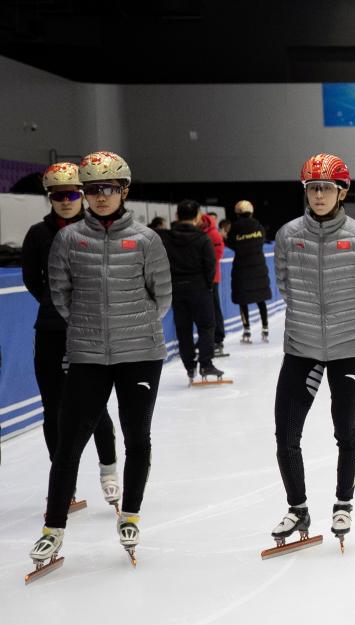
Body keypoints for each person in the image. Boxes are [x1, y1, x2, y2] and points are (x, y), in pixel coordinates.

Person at [28, 151, 171, 572]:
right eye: (92, 190)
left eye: (108, 188)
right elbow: (61, 295)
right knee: (69, 441)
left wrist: (132, 328)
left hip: (139, 354)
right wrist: (90, 328)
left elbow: (162, 295)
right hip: (88, 354)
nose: (101, 196)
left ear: (124, 190)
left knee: (136, 437)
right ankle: (53, 527)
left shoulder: (146, 239)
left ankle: (130, 515)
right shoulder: (68, 240)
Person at [269, 154, 355, 551]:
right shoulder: (287, 235)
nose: (318, 195)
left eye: (326, 188)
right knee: (287, 432)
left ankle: (343, 504)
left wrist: (349, 322)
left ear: (342, 192)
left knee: (345, 431)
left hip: (348, 348)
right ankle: (297, 507)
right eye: (312, 188)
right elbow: (284, 284)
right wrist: (308, 321)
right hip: (301, 348)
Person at [20, 162, 119, 507]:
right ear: (49, 198)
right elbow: (32, 279)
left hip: (91, 330)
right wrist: (56, 305)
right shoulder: (37, 234)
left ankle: (109, 471)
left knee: (95, 405)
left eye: (72, 195)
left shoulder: (100, 230)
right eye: (58, 196)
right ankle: (64, 483)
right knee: (54, 408)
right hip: (51, 329)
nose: (65, 201)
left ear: (83, 195)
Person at [159, 199, 223, 382]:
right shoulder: (202, 238)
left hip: (177, 290)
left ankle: (189, 366)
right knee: (206, 326)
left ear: (176, 215)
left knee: (183, 328)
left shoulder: (166, 238)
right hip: (199, 289)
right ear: (197, 217)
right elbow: (210, 265)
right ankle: (206, 364)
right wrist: (207, 285)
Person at [227, 200, 271, 343]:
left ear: (237, 213)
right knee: (260, 298)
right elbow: (262, 239)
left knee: (243, 300)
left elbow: (231, 244)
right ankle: (265, 328)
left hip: (242, 269)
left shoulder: (235, 228)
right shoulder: (258, 226)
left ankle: (246, 331)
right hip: (258, 268)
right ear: (251, 212)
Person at [211, 218, 230, 353]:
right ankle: (213, 339)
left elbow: (218, 253)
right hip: (206, 278)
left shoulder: (214, 235)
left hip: (212, 278)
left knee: (215, 308)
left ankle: (218, 339)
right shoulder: (206, 233)